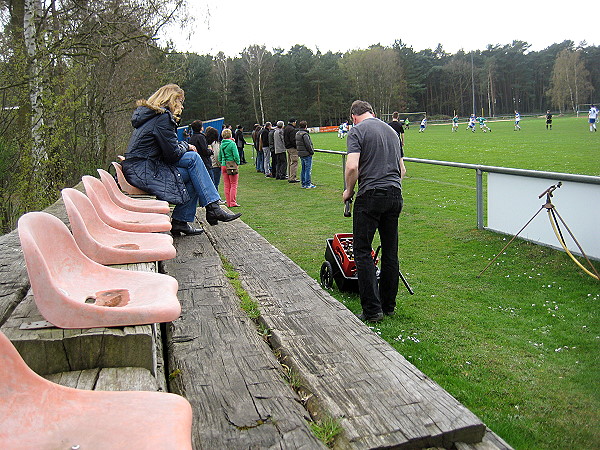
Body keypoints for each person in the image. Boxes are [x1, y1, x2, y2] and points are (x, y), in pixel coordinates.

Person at [122, 84, 241, 235]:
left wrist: (184, 146)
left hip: (141, 168)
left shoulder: (151, 117)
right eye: (181, 101)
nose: (182, 106)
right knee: (193, 162)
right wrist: (186, 145)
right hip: (145, 171)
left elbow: (166, 150)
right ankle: (209, 208)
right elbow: (172, 154)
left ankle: (189, 217)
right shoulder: (162, 118)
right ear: (172, 100)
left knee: (194, 169)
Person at [342, 100, 406, 323]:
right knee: (390, 252)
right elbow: (402, 170)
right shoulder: (392, 131)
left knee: (362, 250)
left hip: (370, 195)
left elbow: (352, 166)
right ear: (373, 113)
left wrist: (349, 191)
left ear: (353, 116)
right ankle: (388, 305)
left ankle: (372, 310)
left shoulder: (357, 132)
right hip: (395, 194)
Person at [219, 128, 241, 207]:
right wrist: (237, 163)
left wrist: (222, 162)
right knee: (233, 184)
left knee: (227, 184)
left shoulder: (222, 144)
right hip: (231, 165)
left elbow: (220, 156)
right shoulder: (232, 143)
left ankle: (228, 202)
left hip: (224, 165)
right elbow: (236, 155)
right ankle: (232, 202)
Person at [296, 121, 316, 189]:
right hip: (306, 154)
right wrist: (311, 151)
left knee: (303, 169)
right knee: (308, 169)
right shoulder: (304, 134)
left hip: (301, 153)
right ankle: (307, 183)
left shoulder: (298, 133)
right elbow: (308, 144)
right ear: (306, 126)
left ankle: (303, 183)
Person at [284, 119, 300, 183]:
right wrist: (296, 146)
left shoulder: (286, 128)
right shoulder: (292, 129)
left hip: (288, 147)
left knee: (290, 162)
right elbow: (293, 140)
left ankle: (290, 176)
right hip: (292, 148)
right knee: (294, 162)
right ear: (293, 122)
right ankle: (292, 178)